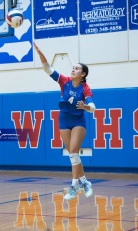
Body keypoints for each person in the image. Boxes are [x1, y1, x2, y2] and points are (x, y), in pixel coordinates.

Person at [33, 42, 96, 200]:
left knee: (74, 150)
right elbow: (48, 69)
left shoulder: (85, 88)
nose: (73, 69)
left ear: (83, 74)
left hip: (78, 121)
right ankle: (85, 182)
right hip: (64, 119)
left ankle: (74, 185)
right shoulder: (64, 81)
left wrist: (86, 107)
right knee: (73, 155)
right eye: (73, 67)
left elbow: (93, 107)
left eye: (77, 68)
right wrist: (41, 53)